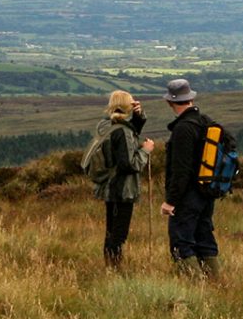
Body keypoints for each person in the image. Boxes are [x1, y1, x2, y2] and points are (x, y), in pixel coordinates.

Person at [159, 78, 220, 278]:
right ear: (190, 98)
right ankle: (215, 283)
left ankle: (194, 284)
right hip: (207, 192)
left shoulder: (183, 129)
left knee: (181, 242)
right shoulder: (206, 122)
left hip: (188, 196)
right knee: (204, 238)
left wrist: (170, 201)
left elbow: (181, 171)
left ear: (170, 102)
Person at [92, 90, 155, 270]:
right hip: (122, 190)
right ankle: (114, 269)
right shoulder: (122, 131)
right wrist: (146, 151)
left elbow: (130, 134)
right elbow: (129, 164)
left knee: (111, 231)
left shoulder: (106, 125)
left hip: (109, 186)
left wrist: (138, 116)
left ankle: (110, 267)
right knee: (118, 234)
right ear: (127, 106)